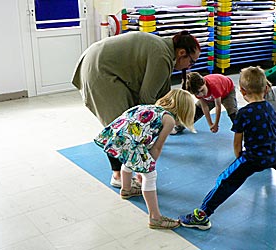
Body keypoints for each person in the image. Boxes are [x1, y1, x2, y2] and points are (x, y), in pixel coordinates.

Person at [178, 66, 276, 230]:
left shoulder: (243, 113)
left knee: (225, 181)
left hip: (252, 158)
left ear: (242, 92)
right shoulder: (272, 109)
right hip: (274, 153)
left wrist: (240, 160)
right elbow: (274, 133)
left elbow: (238, 142)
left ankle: (202, 215)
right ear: (265, 87)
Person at [72, 31, 201, 188]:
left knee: (132, 125)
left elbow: (162, 91)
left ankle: (125, 171)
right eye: (191, 62)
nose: (190, 66)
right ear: (181, 53)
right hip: (101, 70)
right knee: (121, 126)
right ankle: (118, 175)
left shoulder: (163, 49)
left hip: (97, 59)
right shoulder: (162, 56)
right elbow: (146, 100)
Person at [94, 89, 196, 229]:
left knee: (129, 158)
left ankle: (126, 189)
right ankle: (155, 218)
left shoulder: (148, 107)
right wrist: (146, 169)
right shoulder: (169, 120)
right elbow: (157, 147)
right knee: (150, 176)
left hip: (116, 137)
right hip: (132, 143)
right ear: (184, 109)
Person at [173, 72, 238, 134]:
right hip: (212, 96)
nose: (201, 94)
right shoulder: (195, 89)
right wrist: (210, 124)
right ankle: (180, 126)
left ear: (204, 82)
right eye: (197, 93)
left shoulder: (214, 86)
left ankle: (241, 129)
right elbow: (204, 107)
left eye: (202, 90)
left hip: (227, 92)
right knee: (196, 110)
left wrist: (216, 124)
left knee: (232, 110)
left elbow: (218, 106)